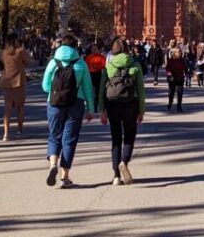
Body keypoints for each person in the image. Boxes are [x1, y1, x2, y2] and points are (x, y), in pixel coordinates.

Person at [42, 34, 95, 188]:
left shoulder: (53, 62)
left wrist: (57, 91)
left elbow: (45, 86)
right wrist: (90, 109)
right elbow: (87, 88)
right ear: (75, 47)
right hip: (76, 104)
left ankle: (53, 164)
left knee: (54, 136)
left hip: (54, 103)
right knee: (69, 139)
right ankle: (65, 177)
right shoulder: (81, 64)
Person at [99, 38, 146, 186]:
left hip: (112, 104)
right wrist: (142, 111)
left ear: (113, 50)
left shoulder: (108, 66)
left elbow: (101, 90)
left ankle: (116, 176)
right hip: (131, 104)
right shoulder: (135, 65)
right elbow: (141, 91)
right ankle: (124, 162)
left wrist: (102, 110)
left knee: (116, 139)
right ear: (127, 49)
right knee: (129, 136)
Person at [0, 35, 31, 141]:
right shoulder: (20, 51)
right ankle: (19, 131)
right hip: (19, 81)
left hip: (7, 81)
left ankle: (6, 133)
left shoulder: (4, 52)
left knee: (7, 108)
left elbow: (2, 63)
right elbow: (27, 61)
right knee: (20, 107)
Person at [85, 44, 106, 111]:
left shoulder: (102, 57)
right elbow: (86, 66)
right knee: (90, 91)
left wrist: (98, 67)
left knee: (98, 91)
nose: (93, 50)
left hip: (98, 74)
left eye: (95, 48)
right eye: (92, 49)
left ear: (98, 49)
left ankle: (97, 105)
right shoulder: (88, 58)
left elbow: (104, 65)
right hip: (90, 74)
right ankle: (91, 106)